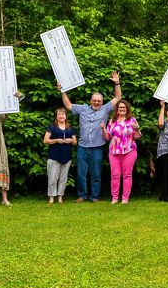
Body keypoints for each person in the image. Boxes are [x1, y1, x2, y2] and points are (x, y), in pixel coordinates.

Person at [59, 71, 121, 203]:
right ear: (90, 101)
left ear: (102, 102)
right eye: (95, 100)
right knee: (81, 173)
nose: (97, 102)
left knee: (96, 174)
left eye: (99, 101)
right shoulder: (82, 109)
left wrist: (117, 83)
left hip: (97, 147)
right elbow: (68, 105)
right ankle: (82, 195)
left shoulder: (105, 109)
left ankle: (95, 196)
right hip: (82, 146)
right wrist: (63, 91)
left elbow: (117, 97)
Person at [101, 99, 141, 204]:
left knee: (127, 175)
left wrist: (137, 129)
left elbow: (137, 137)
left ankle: (125, 199)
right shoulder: (111, 121)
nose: (122, 109)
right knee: (115, 175)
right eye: (120, 107)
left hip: (129, 150)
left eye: (124, 107)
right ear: (117, 109)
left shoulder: (132, 120)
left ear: (127, 109)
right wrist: (103, 129)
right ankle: (114, 198)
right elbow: (107, 137)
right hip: (113, 152)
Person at [44, 108, 77, 205]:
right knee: (52, 178)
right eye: (59, 114)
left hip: (67, 157)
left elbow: (75, 142)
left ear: (66, 116)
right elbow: (45, 140)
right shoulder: (52, 127)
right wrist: (57, 140)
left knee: (63, 179)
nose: (61, 116)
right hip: (54, 156)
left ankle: (60, 198)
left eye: (63, 114)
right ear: (56, 116)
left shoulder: (70, 128)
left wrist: (70, 140)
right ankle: (51, 198)